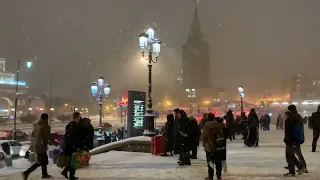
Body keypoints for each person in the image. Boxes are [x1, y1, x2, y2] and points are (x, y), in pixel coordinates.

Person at [22, 113, 52, 180]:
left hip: (37, 145)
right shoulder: (44, 126)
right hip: (41, 146)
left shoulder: (37, 125)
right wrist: (49, 141)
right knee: (40, 162)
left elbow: (33, 135)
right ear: (46, 118)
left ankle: (44, 174)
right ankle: (26, 172)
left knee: (44, 160)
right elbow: (47, 136)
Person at [283, 105, 307, 176]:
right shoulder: (295, 117)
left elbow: (290, 132)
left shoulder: (290, 120)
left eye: (285, 115)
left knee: (291, 155)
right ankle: (299, 168)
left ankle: (297, 169)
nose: (284, 116)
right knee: (292, 155)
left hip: (292, 140)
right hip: (293, 140)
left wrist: (289, 140)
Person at [202, 113, 225, 180]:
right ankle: (219, 176)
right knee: (218, 162)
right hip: (218, 146)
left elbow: (204, 136)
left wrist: (204, 144)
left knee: (210, 162)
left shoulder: (207, 125)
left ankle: (210, 176)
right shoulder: (220, 124)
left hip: (209, 146)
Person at [61, 112, 81, 180]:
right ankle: (69, 174)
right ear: (77, 117)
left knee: (71, 161)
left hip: (68, 145)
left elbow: (66, 136)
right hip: (74, 146)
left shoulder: (69, 125)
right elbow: (77, 137)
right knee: (74, 161)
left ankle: (68, 173)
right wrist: (78, 146)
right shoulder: (77, 126)